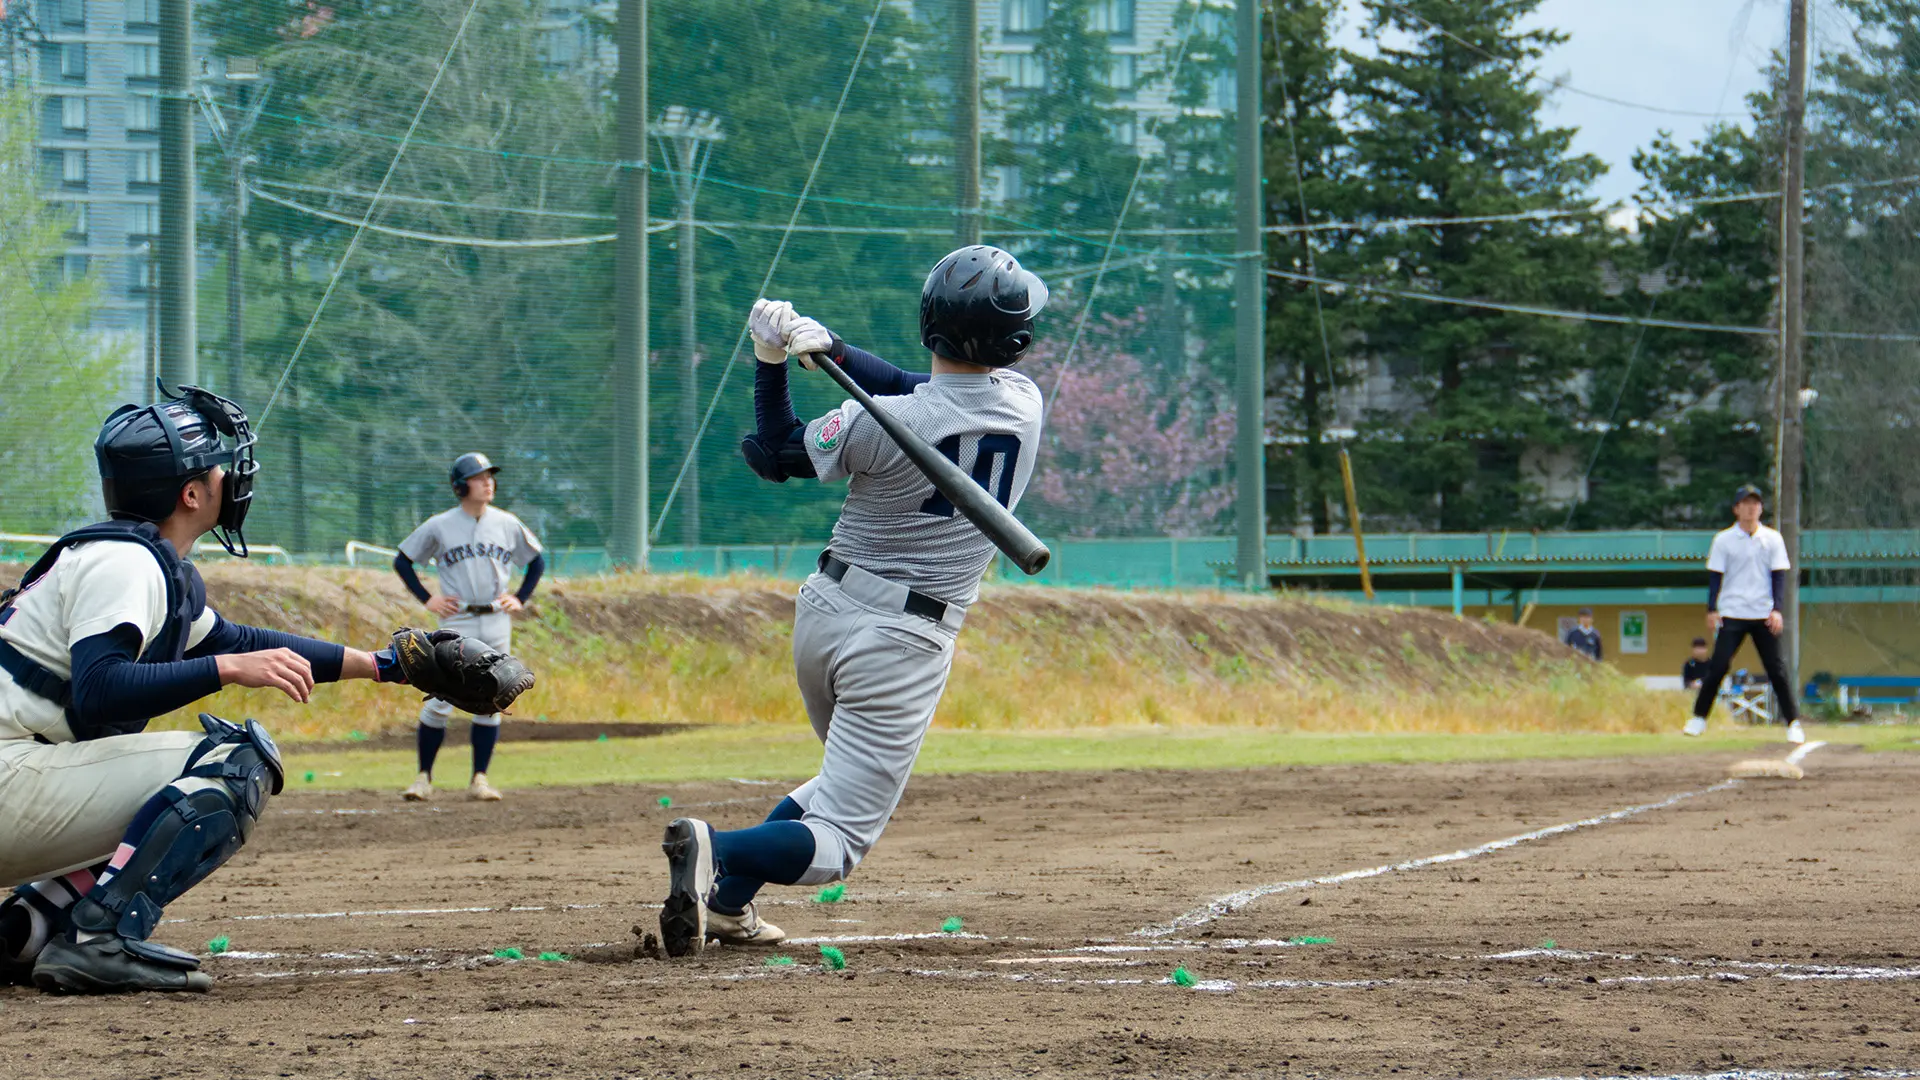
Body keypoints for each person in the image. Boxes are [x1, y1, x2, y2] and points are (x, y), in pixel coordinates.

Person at [655, 245, 1047, 956]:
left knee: (834, 786)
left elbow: (772, 451)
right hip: (904, 639)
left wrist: (769, 360)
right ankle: (717, 849)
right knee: (838, 840)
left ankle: (729, 907)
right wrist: (831, 347)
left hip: (824, 616)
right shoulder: (1024, 405)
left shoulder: (872, 423)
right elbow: (913, 391)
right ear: (1013, 342)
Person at [0, 387, 456, 993]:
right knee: (235, 761)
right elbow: (100, 690)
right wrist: (229, 673)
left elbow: (237, 640)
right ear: (190, 494)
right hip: (12, 779)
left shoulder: (136, 560)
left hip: (20, 775)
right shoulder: (125, 564)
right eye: (215, 465)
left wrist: (390, 664)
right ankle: (98, 938)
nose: (229, 474)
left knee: (171, 789)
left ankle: (25, 929)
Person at [391, 453, 545, 802]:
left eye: (490, 476)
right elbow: (402, 561)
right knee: (441, 696)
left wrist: (519, 597)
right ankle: (423, 778)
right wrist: (427, 598)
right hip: (457, 620)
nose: (488, 482)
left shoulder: (507, 523)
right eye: (479, 477)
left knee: (494, 693)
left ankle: (480, 779)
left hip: (495, 618)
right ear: (461, 486)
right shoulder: (440, 525)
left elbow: (537, 561)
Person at [1683, 484, 1804, 743]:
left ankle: (1793, 722)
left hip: (1762, 613)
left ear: (1761, 508)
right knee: (1718, 666)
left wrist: (1777, 610)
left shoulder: (1772, 538)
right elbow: (1715, 577)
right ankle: (1698, 718)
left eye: (1756, 503)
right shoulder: (1723, 539)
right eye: (1746, 503)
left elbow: (1779, 577)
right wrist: (1712, 609)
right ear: (1736, 509)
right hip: (1733, 612)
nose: (1751, 508)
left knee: (1776, 669)